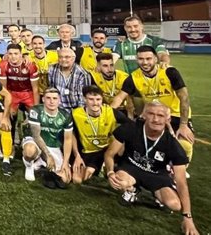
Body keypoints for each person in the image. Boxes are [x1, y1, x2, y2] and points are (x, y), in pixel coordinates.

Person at [104, 101, 199, 235]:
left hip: (156, 175)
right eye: (151, 114)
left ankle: (157, 194)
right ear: (144, 115)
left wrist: (188, 218)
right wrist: (110, 172)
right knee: (120, 181)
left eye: (160, 115)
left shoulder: (173, 145)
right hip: (131, 168)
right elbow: (109, 154)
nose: (155, 119)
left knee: (175, 205)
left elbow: (182, 183)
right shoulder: (130, 128)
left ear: (168, 119)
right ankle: (133, 189)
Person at [110, 46, 194, 170]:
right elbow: (119, 98)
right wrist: (105, 111)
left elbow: (184, 98)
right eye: (141, 59)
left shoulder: (169, 72)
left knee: (185, 144)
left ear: (155, 59)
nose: (145, 62)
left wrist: (184, 124)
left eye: (148, 58)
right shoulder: (133, 78)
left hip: (175, 114)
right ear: (136, 60)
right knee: (129, 140)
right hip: (151, 116)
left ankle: (179, 170)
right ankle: (129, 165)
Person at [22, 88, 74, 187]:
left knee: (65, 178)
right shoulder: (36, 110)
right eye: (48, 98)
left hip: (53, 145)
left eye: (55, 98)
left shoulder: (66, 116)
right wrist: (48, 155)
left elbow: (68, 140)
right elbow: (36, 136)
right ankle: (29, 166)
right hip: (35, 142)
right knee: (29, 151)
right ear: (43, 99)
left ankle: (44, 171)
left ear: (59, 100)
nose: (51, 101)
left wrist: (66, 163)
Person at [0, 43, 39, 155]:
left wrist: (37, 108)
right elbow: (4, 89)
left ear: (21, 54)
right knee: (9, 116)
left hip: (27, 93)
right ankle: (11, 144)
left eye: (16, 53)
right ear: (7, 54)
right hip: (12, 93)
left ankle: (34, 143)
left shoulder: (30, 65)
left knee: (35, 117)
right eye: (10, 54)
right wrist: (6, 105)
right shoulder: (3, 65)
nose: (13, 56)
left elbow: (35, 88)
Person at [71, 86, 118, 184]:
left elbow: (129, 126)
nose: (95, 103)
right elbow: (72, 135)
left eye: (98, 99)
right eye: (91, 99)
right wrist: (77, 155)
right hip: (87, 151)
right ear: (84, 99)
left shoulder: (110, 111)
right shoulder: (76, 114)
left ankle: (107, 165)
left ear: (102, 99)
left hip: (105, 150)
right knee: (77, 180)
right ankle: (99, 168)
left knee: (88, 173)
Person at [89, 53, 133, 121]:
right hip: (102, 111)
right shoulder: (93, 77)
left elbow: (130, 103)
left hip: (122, 111)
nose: (109, 69)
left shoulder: (124, 77)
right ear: (98, 66)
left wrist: (130, 120)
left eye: (111, 65)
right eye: (105, 66)